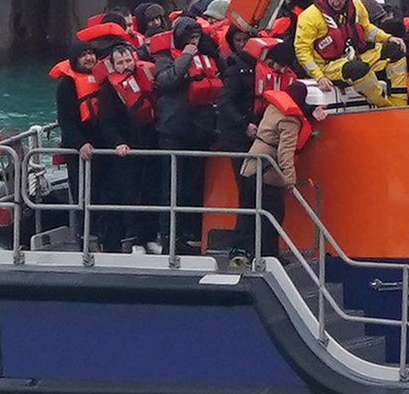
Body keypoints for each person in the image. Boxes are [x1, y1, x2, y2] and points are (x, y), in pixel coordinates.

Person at [234, 82, 327, 266]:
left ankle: (242, 252)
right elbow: (286, 151)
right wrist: (289, 178)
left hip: (251, 165)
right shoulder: (290, 119)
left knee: (248, 211)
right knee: (274, 213)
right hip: (268, 171)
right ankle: (269, 254)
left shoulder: (273, 108)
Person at [216, 39, 295, 252]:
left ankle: (264, 250)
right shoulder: (239, 73)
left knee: (267, 198)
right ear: (270, 61)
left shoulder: (275, 76)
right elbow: (224, 103)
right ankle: (241, 248)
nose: (282, 70)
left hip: (260, 141)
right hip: (238, 138)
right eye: (280, 66)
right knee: (247, 193)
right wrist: (245, 124)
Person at [153, 17, 222, 252]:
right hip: (173, 130)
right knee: (172, 187)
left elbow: (221, 71)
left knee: (193, 186)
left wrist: (208, 48)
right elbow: (165, 81)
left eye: (197, 38)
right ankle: (169, 238)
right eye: (190, 38)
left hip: (199, 130)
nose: (194, 42)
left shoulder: (206, 54)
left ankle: (190, 233)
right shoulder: (164, 58)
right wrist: (186, 55)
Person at [294, 0, 408, 107]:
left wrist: (388, 38)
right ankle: (385, 106)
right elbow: (302, 51)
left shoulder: (356, 5)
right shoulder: (309, 17)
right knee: (358, 69)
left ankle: (400, 105)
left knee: (395, 50)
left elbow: (367, 30)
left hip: (354, 56)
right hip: (329, 66)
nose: (336, 3)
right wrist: (319, 77)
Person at [96, 43, 160, 253]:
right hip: (125, 148)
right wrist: (117, 142)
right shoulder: (108, 89)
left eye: (128, 60)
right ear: (113, 66)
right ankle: (133, 239)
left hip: (148, 142)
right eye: (120, 62)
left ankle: (148, 236)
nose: (126, 65)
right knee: (130, 194)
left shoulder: (145, 79)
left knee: (151, 191)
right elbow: (107, 121)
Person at [49, 38, 104, 246]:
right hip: (79, 148)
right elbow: (66, 121)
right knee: (82, 193)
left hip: (101, 145)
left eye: (91, 53)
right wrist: (80, 144)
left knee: (103, 192)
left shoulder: (100, 79)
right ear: (75, 59)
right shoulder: (67, 85)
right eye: (83, 55)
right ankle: (83, 236)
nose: (89, 58)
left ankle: (102, 234)